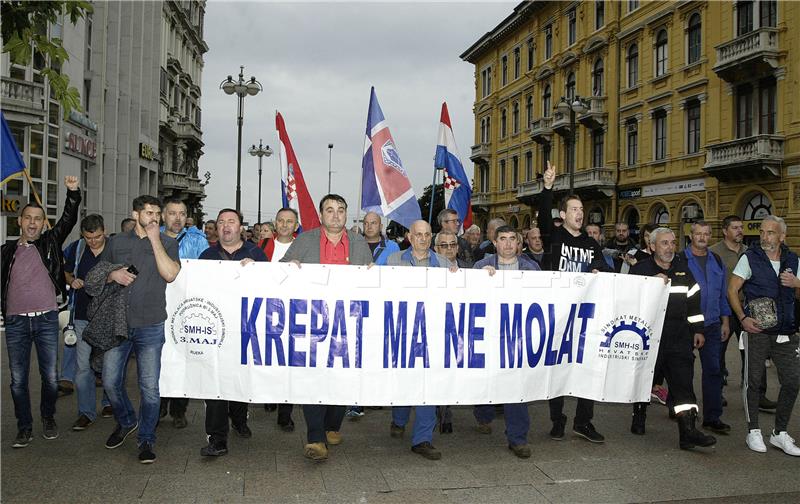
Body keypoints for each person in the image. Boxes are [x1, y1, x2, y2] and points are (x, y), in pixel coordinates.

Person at [281, 194, 373, 462]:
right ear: (321, 215)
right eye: (329, 210)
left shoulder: (358, 243)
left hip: (347, 323)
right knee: (312, 378)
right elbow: (277, 273)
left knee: (342, 378)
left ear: (346, 215)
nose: (335, 215)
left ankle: (333, 424)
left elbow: (371, 282)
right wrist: (289, 267)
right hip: (312, 321)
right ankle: (316, 438)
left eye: (340, 210)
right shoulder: (305, 241)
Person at [98, 195, 180, 464]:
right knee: (110, 381)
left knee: (150, 388)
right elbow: (99, 273)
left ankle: (146, 438)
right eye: (148, 213)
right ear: (135, 215)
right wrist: (112, 275)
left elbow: (170, 274)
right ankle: (126, 420)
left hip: (151, 324)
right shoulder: (116, 242)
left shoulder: (168, 242)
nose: (154, 218)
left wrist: (155, 239)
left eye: (157, 213)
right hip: (119, 323)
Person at [2, 176, 81, 448]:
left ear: (42, 224)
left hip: (47, 320)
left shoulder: (50, 243)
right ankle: (24, 427)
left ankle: (48, 416)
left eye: (38, 218)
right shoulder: (5, 252)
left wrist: (73, 193)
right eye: (28, 218)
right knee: (17, 381)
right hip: (15, 323)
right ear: (20, 222)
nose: (33, 223)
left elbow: (68, 219)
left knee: (50, 378)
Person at [537, 161, 611, 443]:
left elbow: (604, 270)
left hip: (584, 318)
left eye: (582, 210)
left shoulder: (591, 244)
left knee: (586, 369)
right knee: (557, 369)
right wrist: (547, 187)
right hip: (557, 315)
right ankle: (558, 420)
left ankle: (584, 421)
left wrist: (599, 270)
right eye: (575, 210)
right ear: (564, 214)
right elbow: (544, 216)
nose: (580, 214)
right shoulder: (554, 236)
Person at [629, 228, 717, 450]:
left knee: (683, 384)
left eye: (672, 243)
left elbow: (694, 300)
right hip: (649, 338)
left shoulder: (682, 269)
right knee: (645, 380)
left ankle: (688, 432)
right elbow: (628, 301)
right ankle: (638, 416)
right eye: (664, 243)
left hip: (679, 336)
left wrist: (698, 329)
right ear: (652, 247)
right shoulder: (640, 270)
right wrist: (650, 283)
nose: (669, 247)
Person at [727, 215, 800, 456]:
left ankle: (779, 433)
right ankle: (753, 430)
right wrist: (743, 319)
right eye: (762, 232)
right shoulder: (750, 257)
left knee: (792, 380)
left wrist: (796, 283)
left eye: (770, 232)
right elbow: (732, 289)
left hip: (787, 331)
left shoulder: (793, 260)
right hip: (757, 329)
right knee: (754, 381)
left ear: (782, 236)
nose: (765, 236)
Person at [198, 208, 267, 457]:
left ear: (240, 227)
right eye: (221, 222)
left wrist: (258, 271)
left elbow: (270, 289)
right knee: (215, 383)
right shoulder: (205, 256)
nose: (226, 226)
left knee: (238, 379)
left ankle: (239, 418)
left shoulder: (256, 254)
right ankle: (217, 438)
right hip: (215, 330)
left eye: (231, 221)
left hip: (245, 329)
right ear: (216, 228)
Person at [386, 220, 455, 461]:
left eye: (427, 234)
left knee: (429, 385)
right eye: (418, 234)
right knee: (405, 381)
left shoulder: (446, 265)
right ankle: (399, 418)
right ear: (409, 237)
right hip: (403, 332)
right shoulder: (394, 262)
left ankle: (422, 439)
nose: (423, 239)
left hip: (433, 334)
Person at [472, 225, 539, 458]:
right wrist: (480, 280)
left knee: (515, 386)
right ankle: (483, 415)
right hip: (489, 334)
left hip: (517, 336)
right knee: (486, 379)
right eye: (503, 239)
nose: (508, 244)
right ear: (494, 242)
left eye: (513, 239)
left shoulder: (531, 269)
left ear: (519, 243)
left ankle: (517, 438)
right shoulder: (481, 267)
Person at [710, 215, 775, 411]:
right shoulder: (714, 253)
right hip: (723, 311)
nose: (740, 231)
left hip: (747, 310)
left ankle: (759, 394)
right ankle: (716, 392)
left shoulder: (750, 253)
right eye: (735, 227)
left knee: (754, 353)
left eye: (741, 227)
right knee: (717, 354)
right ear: (725, 231)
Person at [158, 198, 208, 429]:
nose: (177, 218)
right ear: (163, 216)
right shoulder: (151, 237)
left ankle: (179, 410)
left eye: (181, 213)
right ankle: (157, 407)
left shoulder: (197, 240)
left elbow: (210, 269)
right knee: (158, 359)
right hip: (156, 307)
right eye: (172, 213)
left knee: (182, 360)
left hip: (185, 309)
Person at [679, 221, 732, 434]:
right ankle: (685, 413)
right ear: (691, 235)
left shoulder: (716, 260)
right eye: (698, 233)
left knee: (713, 371)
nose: (702, 237)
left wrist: (725, 321)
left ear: (710, 236)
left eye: (706, 234)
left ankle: (712, 417)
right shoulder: (680, 260)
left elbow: (722, 294)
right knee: (683, 372)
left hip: (711, 324)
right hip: (685, 325)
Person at [63, 214, 113, 431]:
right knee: (83, 368)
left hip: (109, 317)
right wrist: (72, 280)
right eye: (89, 237)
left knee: (110, 366)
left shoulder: (115, 248)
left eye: (98, 237)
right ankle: (86, 412)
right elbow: (65, 272)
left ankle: (110, 403)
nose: (93, 241)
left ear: (104, 231)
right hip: (82, 316)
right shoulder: (77, 248)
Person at [260, 208, 298, 431]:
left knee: (289, 363)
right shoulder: (264, 245)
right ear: (275, 223)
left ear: (296, 225)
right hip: (267, 309)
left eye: (289, 221)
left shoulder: (303, 246)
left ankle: (286, 413)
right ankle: (269, 394)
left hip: (293, 310)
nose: (284, 225)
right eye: (280, 221)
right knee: (269, 356)